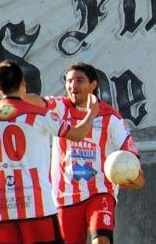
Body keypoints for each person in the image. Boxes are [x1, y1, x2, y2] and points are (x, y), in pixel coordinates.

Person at [0, 60, 100, 244]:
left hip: (3, 210)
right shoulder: (39, 114)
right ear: (23, 83)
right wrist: (92, 113)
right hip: (37, 207)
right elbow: (78, 134)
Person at [49, 62, 145, 244]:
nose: (73, 85)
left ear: (93, 85)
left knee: (101, 240)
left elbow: (131, 157)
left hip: (100, 192)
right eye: (69, 81)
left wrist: (136, 178)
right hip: (64, 196)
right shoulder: (57, 109)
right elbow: (33, 105)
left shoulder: (111, 117)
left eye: (79, 80)